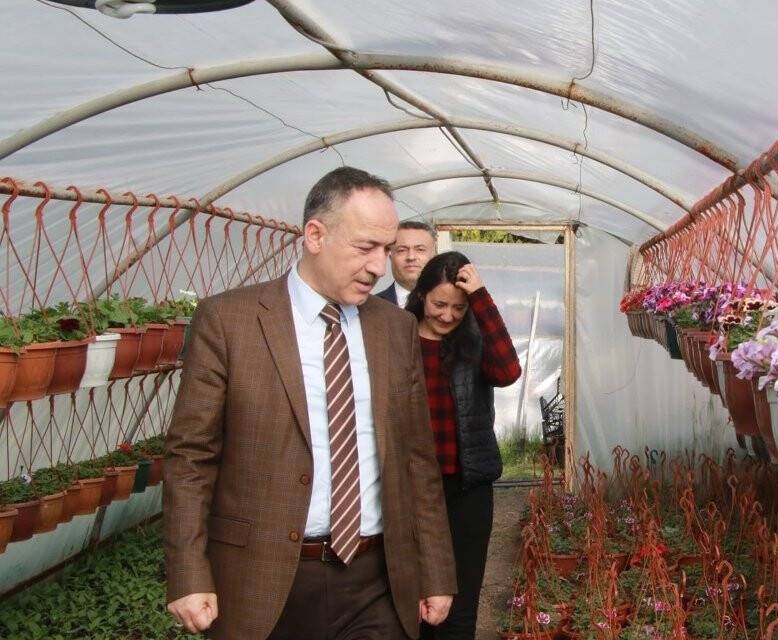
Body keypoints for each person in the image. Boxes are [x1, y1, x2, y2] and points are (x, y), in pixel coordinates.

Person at [164, 166, 457, 640]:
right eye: (365, 247)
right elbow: (191, 456)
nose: (379, 266)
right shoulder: (229, 320)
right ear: (315, 235)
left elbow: (416, 457)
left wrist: (437, 570)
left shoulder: (394, 328)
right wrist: (187, 571)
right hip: (262, 579)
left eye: (386, 249)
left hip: (376, 580)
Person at [407, 251, 521, 640]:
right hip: (411, 491)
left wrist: (481, 297)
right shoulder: (397, 336)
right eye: (439, 304)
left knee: (462, 595)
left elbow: (508, 371)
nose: (447, 316)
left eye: (458, 307)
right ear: (421, 295)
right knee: (412, 597)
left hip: (466, 488)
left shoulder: (473, 342)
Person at [378, 220, 437, 308]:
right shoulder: (368, 308)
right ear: (390, 255)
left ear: (435, 254)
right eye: (402, 250)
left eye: (420, 249)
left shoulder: (455, 303)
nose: (411, 257)